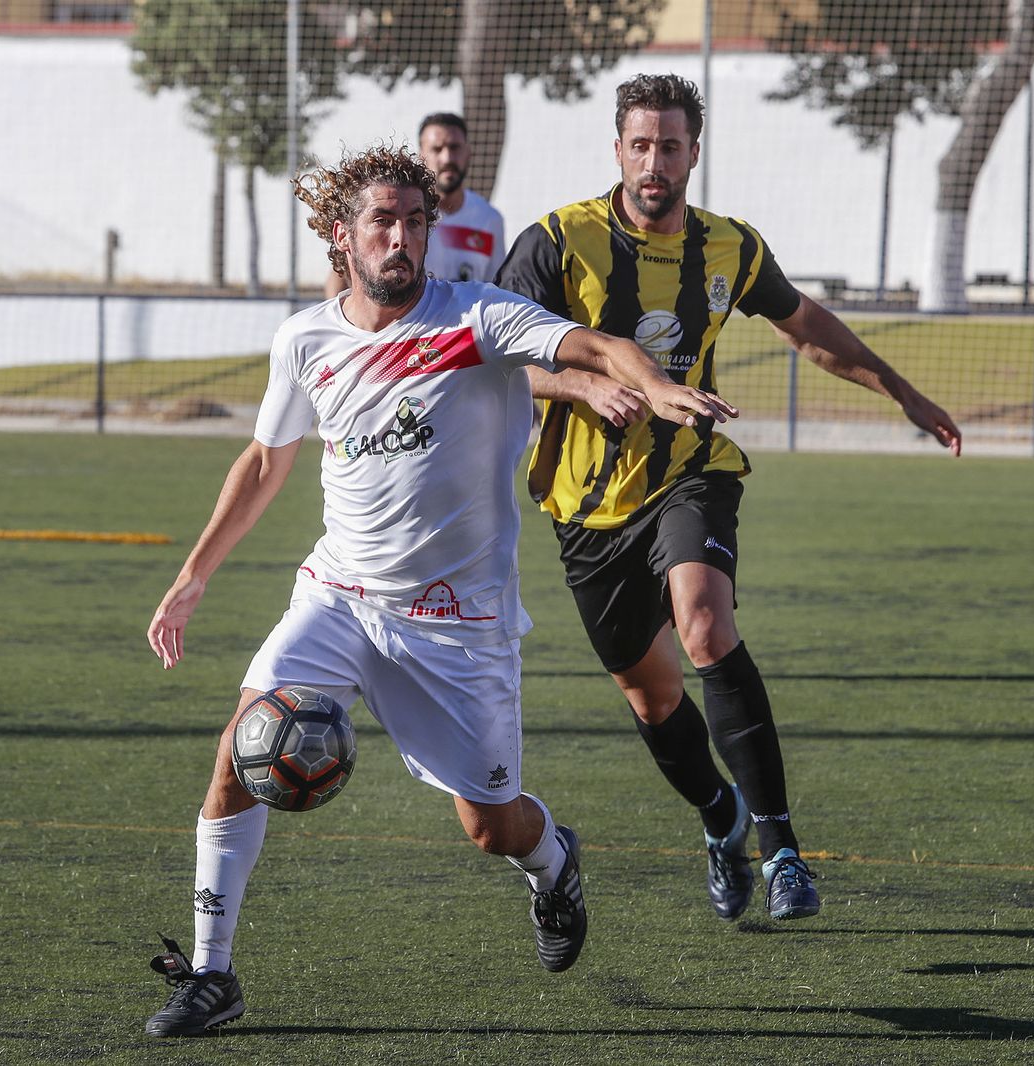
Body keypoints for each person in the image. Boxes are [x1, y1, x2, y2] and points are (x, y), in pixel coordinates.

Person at [142, 143, 734, 1038]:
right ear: (342, 235)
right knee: (240, 751)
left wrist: (652, 384)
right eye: (383, 221)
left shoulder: (474, 316)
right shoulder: (304, 340)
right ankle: (211, 973)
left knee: (492, 826)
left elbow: (594, 345)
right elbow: (265, 461)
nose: (402, 238)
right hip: (339, 595)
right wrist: (191, 579)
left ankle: (554, 866)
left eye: (415, 222)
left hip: (459, 623)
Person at [496, 73, 962, 924]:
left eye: (670, 147)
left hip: (691, 471)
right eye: (641, 145)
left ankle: (783, 853)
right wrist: (582, 386)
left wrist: (899, 389)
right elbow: (495, 356)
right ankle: (722, 817)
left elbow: (806, 326)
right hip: (587, 509)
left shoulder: (730, 247)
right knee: (653, 699)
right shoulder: (558, 241)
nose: (654, 163)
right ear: (617, 150)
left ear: (693, 154)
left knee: (707, 627)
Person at [322, 112, 505, 298]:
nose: (447, 158)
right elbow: (342, 273)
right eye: (437, 149)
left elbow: (497, 287)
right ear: (421, 155)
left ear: (468, 153)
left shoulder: (489, 219)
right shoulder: (400, 213)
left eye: (454, 148)